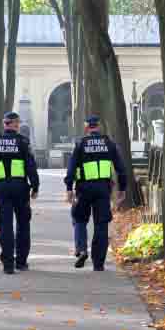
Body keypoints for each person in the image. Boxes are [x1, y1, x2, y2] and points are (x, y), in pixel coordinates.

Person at [64, 116, 127, 271]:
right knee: (101, 224)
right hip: (103, 189)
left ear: (87, 128)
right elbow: (121, 169)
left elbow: (71, 168)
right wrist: (122, 188)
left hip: (83, 189)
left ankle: (82, 250)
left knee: (79, 219)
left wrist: (69, 188)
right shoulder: (109, 144)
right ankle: (98, 263)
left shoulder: (80, 144)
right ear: (99, 126)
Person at [0, 112, 40, 274]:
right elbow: (31, 166)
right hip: (20, 188)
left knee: (5, 225)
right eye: (18, 123)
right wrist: (35, 186)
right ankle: (21, 262)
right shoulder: (23, 142)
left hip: (1, 188)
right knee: (23, 224)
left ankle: (8, 264)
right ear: (15, 124)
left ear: (4, 123)